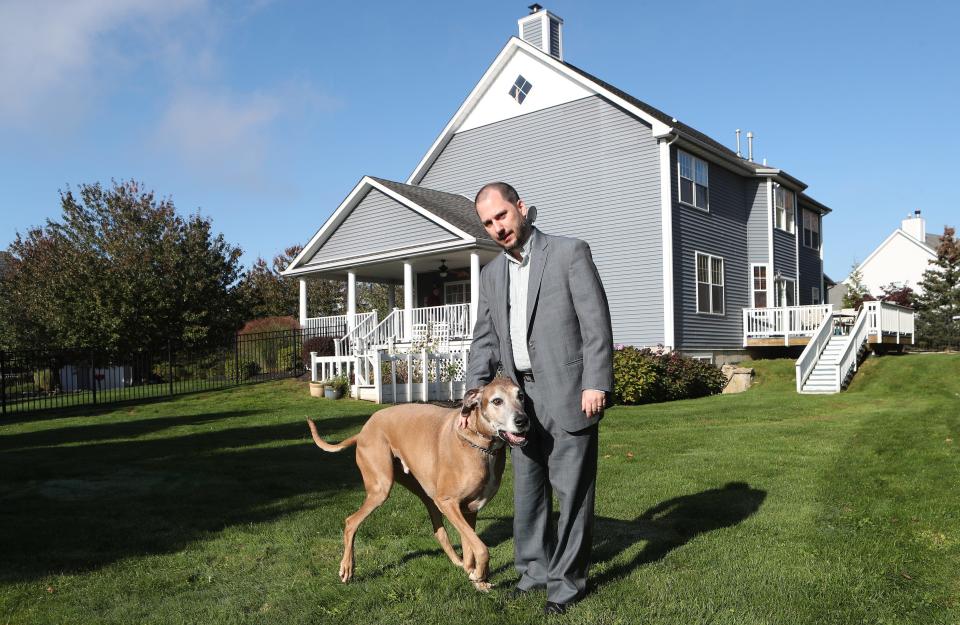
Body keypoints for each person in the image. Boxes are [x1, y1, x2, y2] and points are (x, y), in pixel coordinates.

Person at [463, 182, 613, 615]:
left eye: (503, 216)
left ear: (521, 209)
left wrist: (596, 383)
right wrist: (472, 398)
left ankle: (565, 585)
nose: (498, 228)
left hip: (569, 392)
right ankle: (534, 573)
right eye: (489, 223)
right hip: (518, 399)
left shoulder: (569, 253)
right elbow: (484, 341)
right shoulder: (492, 274)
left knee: (572, 494)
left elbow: (596, 324)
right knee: (528, 494)